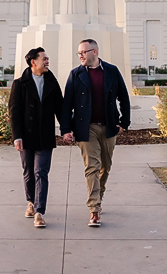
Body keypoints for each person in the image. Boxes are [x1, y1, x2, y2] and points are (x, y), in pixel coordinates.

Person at [59, 39, 130, 227]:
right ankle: (94, 209)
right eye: (79, 53)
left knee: (105, 166)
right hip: (85, 127)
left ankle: (99, 195)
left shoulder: (112, 71)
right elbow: (67, 104)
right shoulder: (75, 74)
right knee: (92, 166)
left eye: (84, 51)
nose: (80, 55)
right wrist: (66, 129)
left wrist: (124, 122)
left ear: (95, 52)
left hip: (109, 126)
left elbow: (123, 97)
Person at [8, 46, 63, 228]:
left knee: (41, 172)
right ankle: (31, 201)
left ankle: (39, 211)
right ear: (33, 62)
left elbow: (60, 109)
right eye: (44, 59)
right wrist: (17, 137)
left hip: (45, 135)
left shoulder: (52, 83)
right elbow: (14, 112)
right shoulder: (19, 83)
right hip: (26, 136)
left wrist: (66, 129)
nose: (47, 61)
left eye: (47, 59)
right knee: (28, 172)